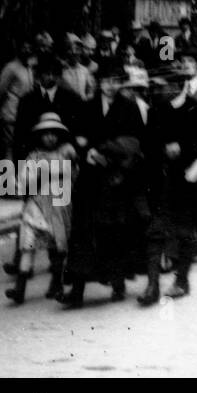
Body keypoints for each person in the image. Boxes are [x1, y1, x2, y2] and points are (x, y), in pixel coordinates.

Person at [61, 61, 147, 308]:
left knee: (114, 231)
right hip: (90, 177)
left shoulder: (129, 108)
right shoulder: (87, 106)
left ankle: (118, 283)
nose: (112, 86)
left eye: (117, 81)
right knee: (82, 231)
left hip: (117, 178)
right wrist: (85, 151)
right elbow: (76, 136)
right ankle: (76, 290)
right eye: (108, 81)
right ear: (99, 82)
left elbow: (136, 142)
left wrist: (109, 154)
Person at [138, 67, 197, 305]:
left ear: (180, 85)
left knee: (185, 232)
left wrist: (184, 149)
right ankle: (152, 285)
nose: (158, 91)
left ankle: (181, 280)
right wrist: (162, 150)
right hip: (161, 180)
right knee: (155, 231)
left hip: (188, 181)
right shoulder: (156, 111)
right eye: (157, 87)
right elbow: (147, 144)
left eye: (164, 86)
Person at [5, 113, 77, 304]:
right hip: (36, 206)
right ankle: (19, 288)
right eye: (46, 133)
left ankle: (56, 282)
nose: (50, 137)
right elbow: (22, 183)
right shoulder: (33, 156)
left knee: (58, 246)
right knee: (28, 244)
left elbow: (74, 175)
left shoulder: (66, 152)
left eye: (54, 133)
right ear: (39, 136)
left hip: (59, 205)